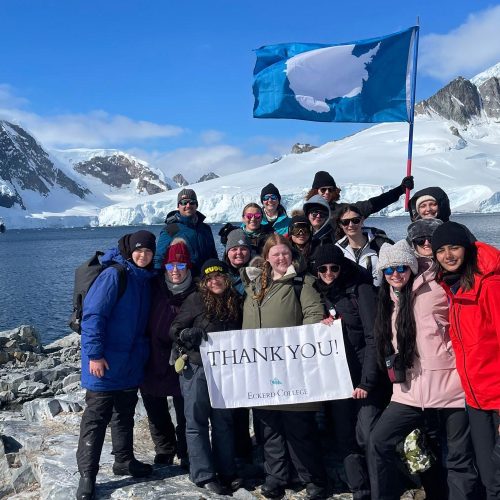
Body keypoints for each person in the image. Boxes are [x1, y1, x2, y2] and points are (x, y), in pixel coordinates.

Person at [368, 240, 478, 500]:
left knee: (458, 457)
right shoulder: (388, 299)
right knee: (378, 442)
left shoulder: (437, 288)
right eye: (388, 270)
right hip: (409, 392)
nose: (395, 274)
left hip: (450, 388)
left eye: (401, 267)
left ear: (412, 266)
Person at [241, 234, 327, 500]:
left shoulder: (302, 283)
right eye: (276, 254)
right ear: (267, 257)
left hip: (293, 368)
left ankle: (313, 479)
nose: (281, 258)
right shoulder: (255, 284)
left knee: (298, 427)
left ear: (292, 255)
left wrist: (300, 345)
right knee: (269, 429)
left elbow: (313, 314)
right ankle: (276, 477)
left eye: (285, 253)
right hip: (262, 369)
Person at [76, 230, 156, 500]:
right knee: (96, 418)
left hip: (130, 361)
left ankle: (123, 460)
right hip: (105, 361)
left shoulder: (145, 279)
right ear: (129, 251)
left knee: (124, 413)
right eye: (139, 250)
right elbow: (93, 316)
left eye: (148, 251)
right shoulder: (115, 275)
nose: (143, 255)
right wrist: (94, 354)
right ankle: (87, 476)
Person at [312, 244, 389, 500]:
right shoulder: (323, 294)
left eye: (334, 267)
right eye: (323, 268)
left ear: (342, 266)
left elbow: (373, 337)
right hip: (339, 379)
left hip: (365, 379)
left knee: (368, 435)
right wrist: (325, 324)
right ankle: (360, 489)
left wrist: (367, 381)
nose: (329, 273)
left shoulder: (361, 289)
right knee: (345, 437)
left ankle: (383, 488)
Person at [432, 222, 500, 499]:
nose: (448, 255)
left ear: (468, 248)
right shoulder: (454, 286)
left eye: (454, 248)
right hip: (475, 398)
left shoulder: (491, 285)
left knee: (497, 479)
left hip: (496, 397)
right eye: (441, 250)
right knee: (489, 476)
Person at [169, 259, 243, 495]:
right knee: (196, 421)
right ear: (204, 282)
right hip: (196, 368)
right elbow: (174, 329)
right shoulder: (195, 300)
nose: (215, 281)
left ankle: (227, 469)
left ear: (226, 278)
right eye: (209, 278)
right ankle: (202, 474)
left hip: (225, 370)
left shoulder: (235, 301)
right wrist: (186, 333)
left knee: (223, 421)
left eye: (219, 276)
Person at [139, 238, 195, 470]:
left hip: (182, 357)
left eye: (181, 266)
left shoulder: (197, 291)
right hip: (153, 354)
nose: (175, 271)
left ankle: (185, 450)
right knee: (154, 403)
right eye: (171, 266)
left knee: (185, 407)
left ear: (188, 268)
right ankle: (164, 448)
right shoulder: (154, 287)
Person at [305, 170, 414, 232]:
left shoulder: (343, 211)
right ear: (315, 191)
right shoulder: (305, 215)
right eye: (323, 189)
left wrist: (400, 190)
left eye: (330, 189)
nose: (327, 192)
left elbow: (373, 204)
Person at [154, 188, 218, 274]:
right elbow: (159, 258)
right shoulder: (171, 229)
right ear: (178, 206)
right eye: (184, 202)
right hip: (185, 282)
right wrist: (159, 280)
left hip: (206, 280)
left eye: (192, 202)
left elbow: (213, 255)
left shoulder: (205, 228)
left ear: (196, 205)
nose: (188, 205)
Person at [335, 205, 393, 286]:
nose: (351, 225)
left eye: (355, 220)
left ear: (362, 220)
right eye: (345, 222)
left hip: (378, 296)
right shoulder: (337, 249)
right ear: (340, 224)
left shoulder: (380, 244)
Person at [224, 228, 252, 296]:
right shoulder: (221, 274)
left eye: (243, 249)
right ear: (227, 253)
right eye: (234, 249)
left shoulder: (257, 273)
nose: (239, 252)